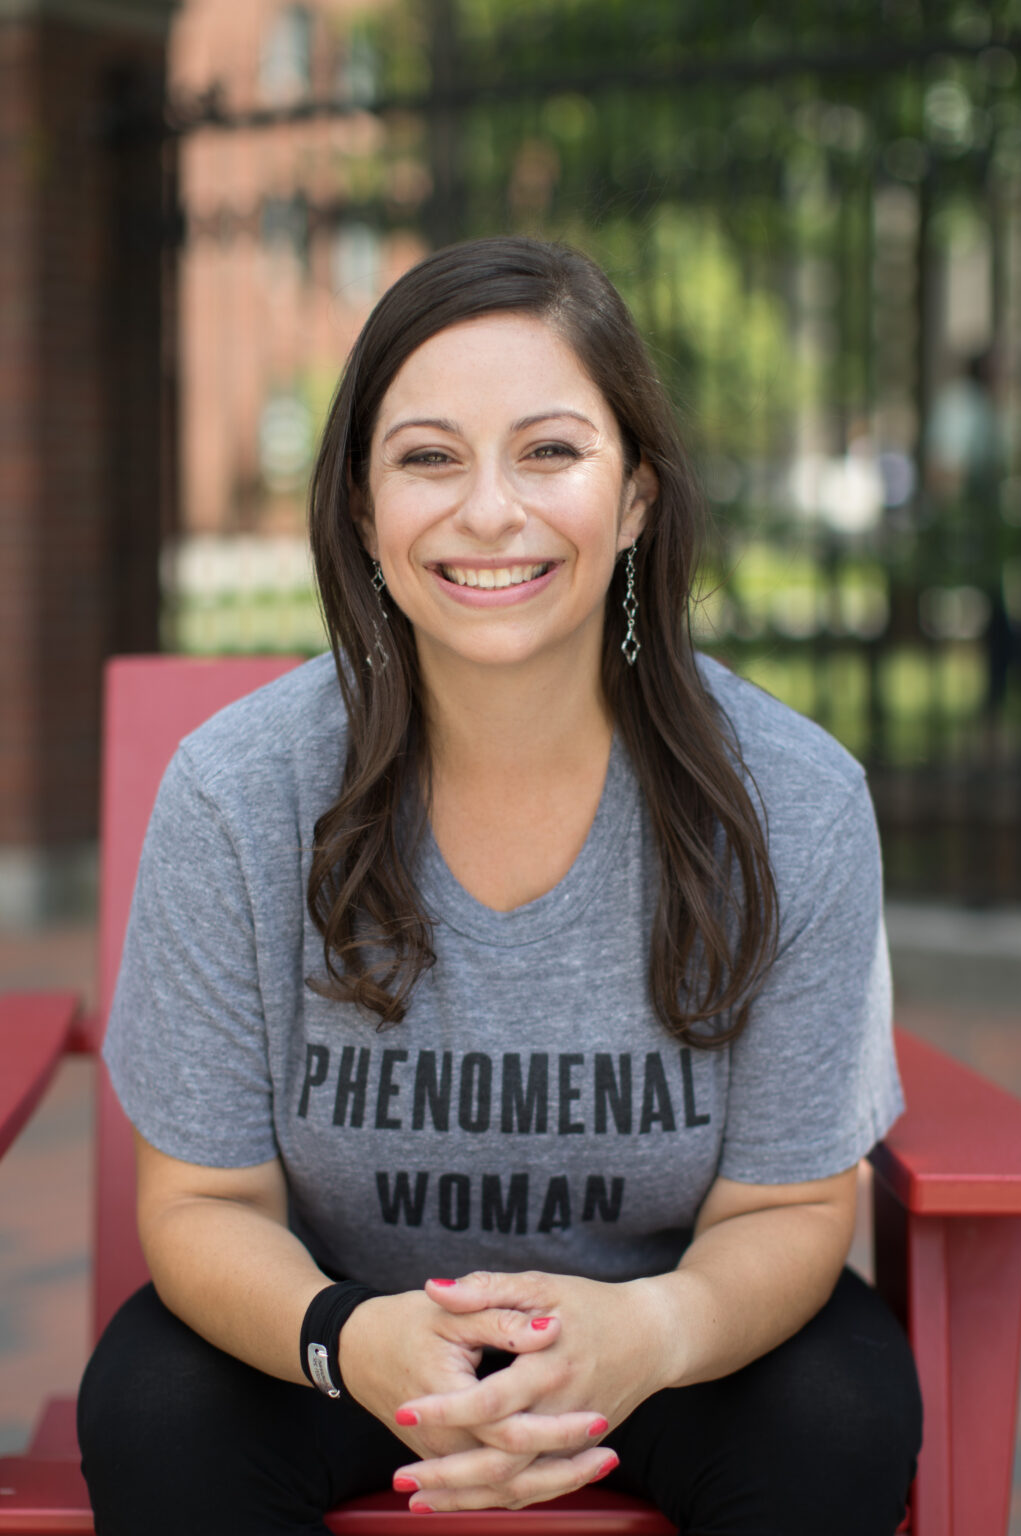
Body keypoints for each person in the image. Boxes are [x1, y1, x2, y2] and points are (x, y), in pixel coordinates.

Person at [78, 236, 921, 1536]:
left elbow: (793, 1206)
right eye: (428, 457)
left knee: (840, 1409)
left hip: (662, 1338)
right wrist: (349, 1340)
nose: (488, 511)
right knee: (154, 1407)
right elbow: (201, 1202)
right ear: (363, 509)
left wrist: (650, 1330)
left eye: (549, 451)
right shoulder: (237, 793)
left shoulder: (792, 803)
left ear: (635, 496)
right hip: (339, 1335)